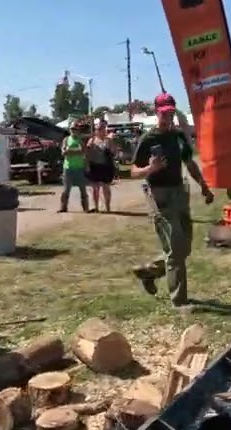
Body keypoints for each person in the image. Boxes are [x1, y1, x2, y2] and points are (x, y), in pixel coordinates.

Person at [130, 93, 213, 309]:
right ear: (156, 112)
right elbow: (132, 171)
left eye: (170, 112)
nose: (167, 116)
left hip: (179, 192)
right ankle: (180, 301)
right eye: (163, 112)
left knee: (184, 247)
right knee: (176, 246)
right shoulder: (148, 139)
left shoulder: (177, 136)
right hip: (158, 194)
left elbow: (189, 163)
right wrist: (150, 168)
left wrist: (204, 186)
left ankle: (150, 272)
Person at [85, 119, 118, 213]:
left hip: (106, 166)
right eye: (99, 129)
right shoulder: (92, 140)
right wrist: (87, 165)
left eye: (103, 128)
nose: (101, 130)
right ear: (96, 130)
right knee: (95, 188)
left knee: (106, 187)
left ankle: (108, 207)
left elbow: (114, 153)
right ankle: (96, 207)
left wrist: (111, 145)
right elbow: (87, 154)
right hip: (95, 166)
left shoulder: (109, 140)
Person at [59, 121, 90, 213]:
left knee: (83, 190)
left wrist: (70, 151)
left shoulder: (81, 140)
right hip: (68, 168)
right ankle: (63, 207)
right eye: (72, 129)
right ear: (70, 130)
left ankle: (86, 208)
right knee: (66, 190)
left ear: (78, 130)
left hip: (79, 167)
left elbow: (83, 151)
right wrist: (76, 150)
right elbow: (64, 152)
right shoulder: (66, 140)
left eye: (75, 129)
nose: (73, 131)